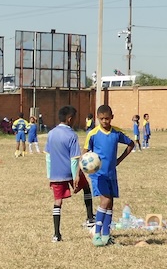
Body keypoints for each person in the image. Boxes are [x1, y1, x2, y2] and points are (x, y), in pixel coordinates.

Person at [84, 103, 134, 246]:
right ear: (97, 118)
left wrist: (119, 160)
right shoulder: (92, 134)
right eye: (101, 119)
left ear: (112, 117)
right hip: (98, 175)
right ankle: (97, 234)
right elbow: (85, 152)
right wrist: (87, 166)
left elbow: (131, 144)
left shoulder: (116, 133)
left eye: (107, 118)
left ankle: (106, 235)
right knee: (105, 201)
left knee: (110, 204)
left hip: (111, 173)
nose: (105, 121)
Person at [45, 105, 87, 242]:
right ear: (70, 119)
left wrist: (49, 175)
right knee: (86, 188)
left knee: (57, 202)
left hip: (55, 173)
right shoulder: (71, 135)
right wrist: (76, 176)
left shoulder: (51, 133)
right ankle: (90, 218)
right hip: (69, 171)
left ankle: (56, 234)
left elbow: (48, 156)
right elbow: (74, 159)